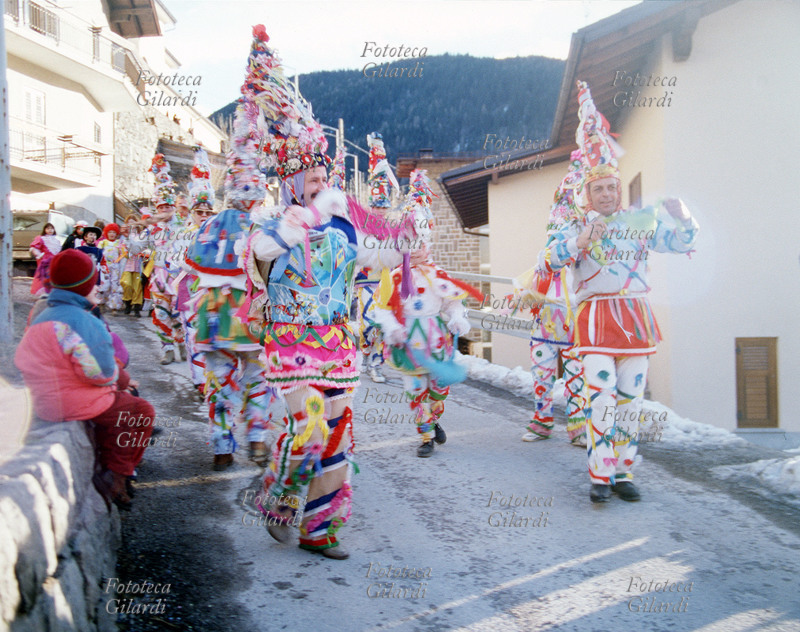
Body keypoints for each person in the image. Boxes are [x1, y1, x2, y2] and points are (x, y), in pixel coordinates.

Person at [239, 25, 408, 559]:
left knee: (336, 439)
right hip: (290, 342)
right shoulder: (272, 222)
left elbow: (373, 259)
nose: (320, 185)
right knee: (310, 428)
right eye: (310, 180)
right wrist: (311, 215)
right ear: (291, 184)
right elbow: (263, 252)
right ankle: (280, 499)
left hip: (337, 344)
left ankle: (320, 530)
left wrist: (403, 245)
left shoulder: (342, 228)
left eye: (323, 177)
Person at [543, 81, 699, 503]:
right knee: (602, 398)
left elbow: (680, 244)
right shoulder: (575, 226)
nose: (607, 194)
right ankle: (600, 474)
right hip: (595, 319)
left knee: (630, 401)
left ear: (618, 188)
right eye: (599, 189)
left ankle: (624, 471)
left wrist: (685, 220)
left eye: (612, 187)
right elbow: (548, 261)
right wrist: (580, 242)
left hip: (634, 317)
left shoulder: (639, 222)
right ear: (588, 193)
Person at [14, 249, 155, 510]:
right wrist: (119, 379)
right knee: (140, 412)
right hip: (74, 404)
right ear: (85, 285)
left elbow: (22, 360)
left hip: (42, 403)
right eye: (93, 282)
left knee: (117, 409)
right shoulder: (82, 320)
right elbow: (100, 373)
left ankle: (108, 466)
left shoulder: (41, 316)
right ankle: (118, 476)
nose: (96, 287)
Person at [373, 170, 480, 457]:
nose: (417, 248)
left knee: (439, 388)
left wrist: (457, 317)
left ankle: (434, 418)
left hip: (435, 339)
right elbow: (381, 308)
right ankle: (426, 436)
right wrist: (392, 327)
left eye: (421, 242)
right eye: (410, 241)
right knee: (415, 390)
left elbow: (451, 302)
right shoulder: (394, 277)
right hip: (408, 340)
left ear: (428, 242)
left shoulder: (437, 273)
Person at [183, 136, 275, 470]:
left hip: (214, 314)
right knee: (258, 379)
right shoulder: (264, 224)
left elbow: (190, 266)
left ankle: (222, 448)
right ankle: (257, 441)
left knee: (220, 383)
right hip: (251, 313)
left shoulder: (208, 223)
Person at [517, 151, 587, 447]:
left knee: (576, 377)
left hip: (574, 325)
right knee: (542, 375)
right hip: (544, 326)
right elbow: (532, 285)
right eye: (555, 235)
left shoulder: (583, 260)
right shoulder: (544, 259)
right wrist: (525, 295)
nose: (559, 240)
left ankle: (578, 427)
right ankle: (542, 422)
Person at [145, 155, 185, 365]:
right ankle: (167, 349)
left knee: (178, 314)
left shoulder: (182, 226)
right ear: (157, 208)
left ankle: (181, 343)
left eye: (168, 207)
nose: (165, 211)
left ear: (173, 208)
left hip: (178, 277)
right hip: (159, 278)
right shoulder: (152, 228)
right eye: (161, 208)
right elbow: (138, 245)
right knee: (161, 314)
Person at [97, 223, 126, 315]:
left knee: (115, 286)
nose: (112, 234)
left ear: (117, 233)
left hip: (115, 267)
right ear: (106, 233)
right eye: (110, 232)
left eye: (114, 232)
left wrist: (119, 264)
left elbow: (122, 255)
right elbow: (98, 255)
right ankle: (101, 303)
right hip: (104, 267)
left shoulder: (119, 243)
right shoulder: (102, 243)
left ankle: (114, 307)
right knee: (104, 285)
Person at [120, 214, 146, 316]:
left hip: (137, 263)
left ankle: (136, 307)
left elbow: (142, 247)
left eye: (133, 222)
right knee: (126, 283)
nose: (131, 224)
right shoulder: (124, 235)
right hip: (127, 263)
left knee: (137, 286)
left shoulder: (141, 235)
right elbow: (121, 247)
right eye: (129, 222)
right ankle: (127, 301)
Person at [29, 222, 61, 296]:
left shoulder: (56, 240)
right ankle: (43, 292)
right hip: (45, 261)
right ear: (44, 230)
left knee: (53, 276)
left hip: (54, 261)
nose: (50, 230)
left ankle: (52, 291)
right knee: (44, 275)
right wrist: (39, 255)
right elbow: (34, 248)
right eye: (48, 228)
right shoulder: (41, 238)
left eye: (51, 228)